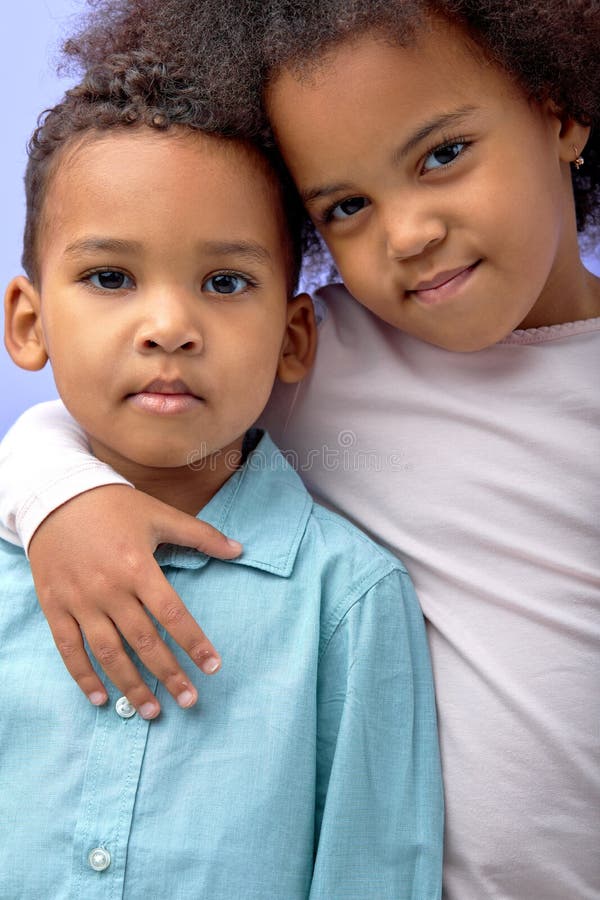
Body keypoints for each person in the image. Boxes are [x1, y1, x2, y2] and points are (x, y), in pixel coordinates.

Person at [0, 1, 598, 898]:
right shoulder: (311, 355)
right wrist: (58, 497)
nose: (409, 234)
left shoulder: (291, 348)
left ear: (558, 112)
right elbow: (106, 396)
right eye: (347, 204)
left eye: (443, 154)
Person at [0, 51, 444, 899]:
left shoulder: (347, 601)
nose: (169, 325)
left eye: (226, 281)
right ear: (29, 321)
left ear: (293, 338)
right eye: (110, 277)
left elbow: (376, 872)